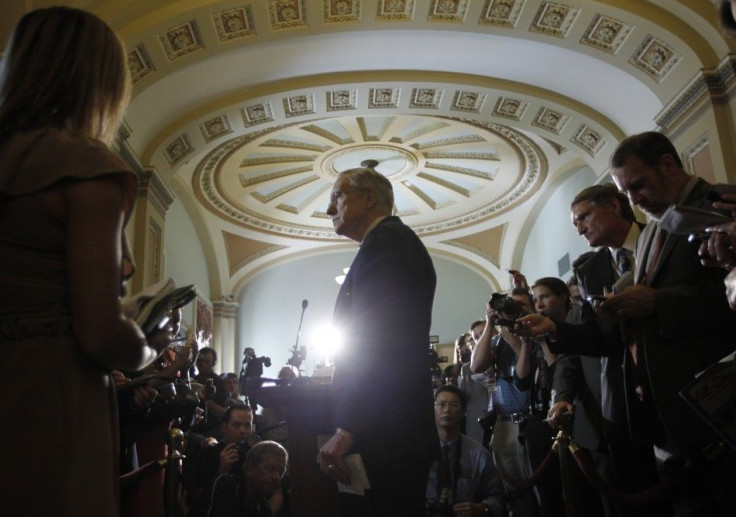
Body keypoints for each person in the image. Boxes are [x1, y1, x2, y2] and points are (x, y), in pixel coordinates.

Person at [0, 7, 169, 515]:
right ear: (99, 83)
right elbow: (97, 330)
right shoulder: (85, 168)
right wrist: (144, 348)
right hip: (46, 389)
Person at [603, 131, 736, 515]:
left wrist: (657, 301)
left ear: (668, 164)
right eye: (625, 192)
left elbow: (725, 303)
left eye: (638, 185)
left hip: (720, 411)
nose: (633, 200)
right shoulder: (649, 235)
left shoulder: (723, 204)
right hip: (669, 421)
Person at [317, 166, 438, 516]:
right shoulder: (383, 243)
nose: (329, 210)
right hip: (386, 426)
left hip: (386, 432)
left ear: (368, 197)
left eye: (337, 197)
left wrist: (349, 426)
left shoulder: (388, 242)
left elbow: (379, 339)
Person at [471, 289, 537, 517]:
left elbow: (526, 381)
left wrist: (518, 342)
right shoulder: (497, 341)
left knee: (543, 492)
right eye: (510, 306)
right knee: (516, 498)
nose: (514, 311)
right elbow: (476, 366)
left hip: (533, 423)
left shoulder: (538, 334)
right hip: (504, 426)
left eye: (521, 305)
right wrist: (490, 323)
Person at [426, 385, 506, 517]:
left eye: (454, 405)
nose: (447, 410)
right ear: (432, 409)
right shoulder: (420, 452)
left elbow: (497, 498)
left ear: (463, 413)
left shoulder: (479, 454)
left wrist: (482, 509)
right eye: (441, 404)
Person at [188, 404, 257, 516]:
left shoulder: (255, 455)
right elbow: (197, 500)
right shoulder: (210, 453)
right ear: (224, 428)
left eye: (247, 425)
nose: (243, 431)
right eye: (236, 425)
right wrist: (222, 471)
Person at [209, 440, 290, 517]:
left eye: (281, 472)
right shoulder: (227, 484)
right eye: (270, 468)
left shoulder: (263, 507)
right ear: (249, 468)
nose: (277, 477)